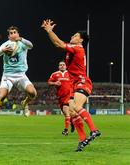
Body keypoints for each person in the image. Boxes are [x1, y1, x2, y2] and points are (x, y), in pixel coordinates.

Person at [42, 19, 101, 151]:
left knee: (75, 106)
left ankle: (94, 130)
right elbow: (60, 43)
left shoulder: (78, 48)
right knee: (73, 111)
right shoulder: (73, 48)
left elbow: (58, 44)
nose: (72, 36)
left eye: (75, 36)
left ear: (81, 40)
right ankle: (82, 139)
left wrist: (49, 30)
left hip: (82, 81)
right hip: (74, 84)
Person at [0, 26, 37, 132]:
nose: (13, 34)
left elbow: (31, 45)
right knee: (2, 96)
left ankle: (25, 103)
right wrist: (3, 50)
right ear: (9, 36)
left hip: (21, 75)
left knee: (33, 93)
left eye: (15, 32)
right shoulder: (5, 45)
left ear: (18, 33)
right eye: (11, 33)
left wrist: (21, 39)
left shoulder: (23, 43)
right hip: (8, 76)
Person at [47, 60, 75, 136]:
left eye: (63, 65)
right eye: (60, 65)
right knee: (66, 114)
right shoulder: (55, 74)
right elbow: (49, 82)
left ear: (66, 66)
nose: (62, 66)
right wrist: (55, 83)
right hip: (60, 97)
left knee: (66, 112)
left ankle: (65, 130)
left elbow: (75, 81)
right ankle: (72, 123)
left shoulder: (70, 73)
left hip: (68, 96)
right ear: (58, 66)